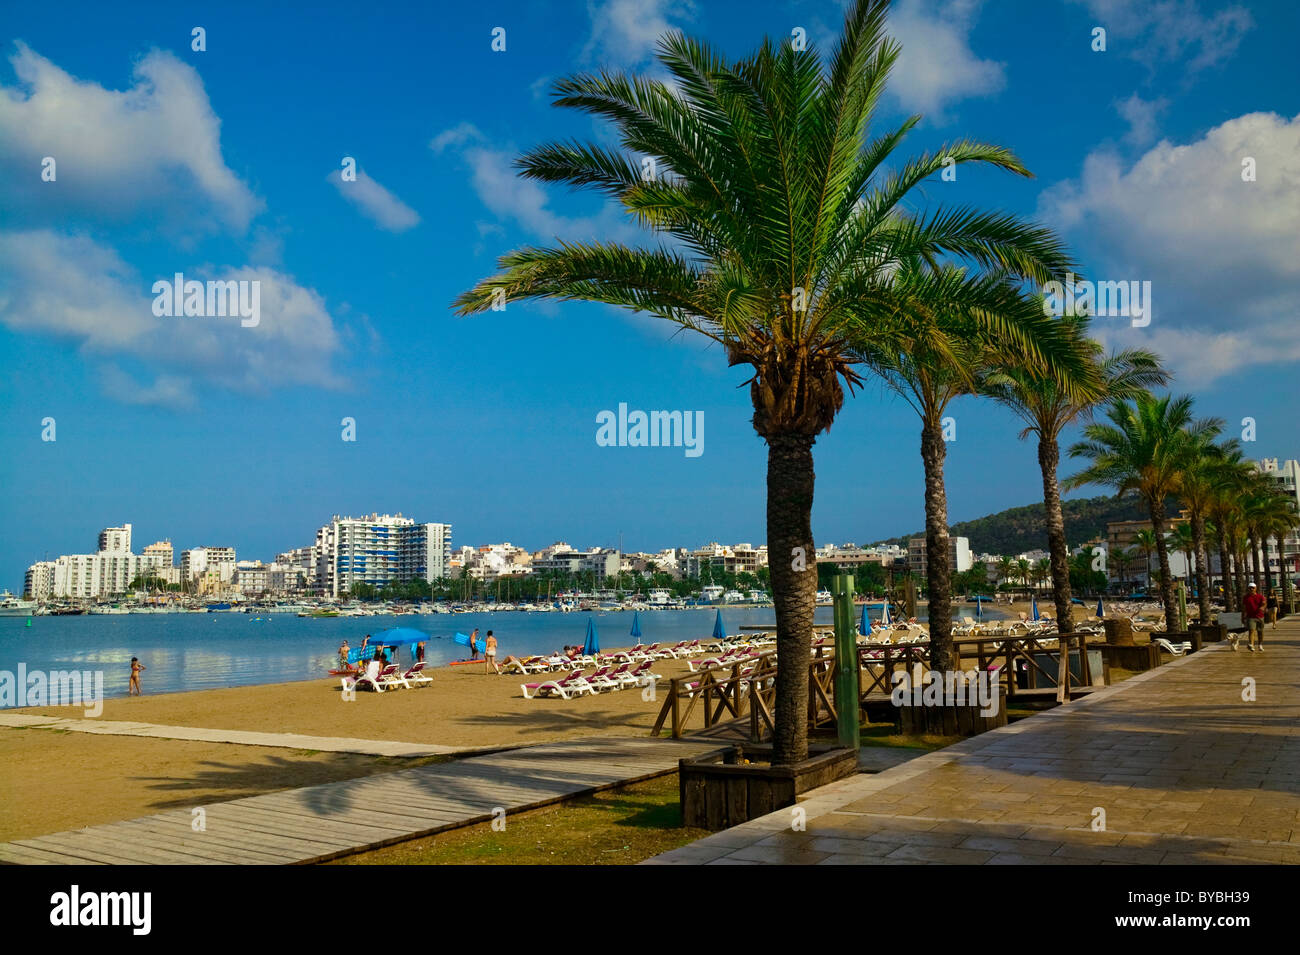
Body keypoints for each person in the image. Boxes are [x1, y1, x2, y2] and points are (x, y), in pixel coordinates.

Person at [1241, 582, 1266, 652]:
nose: (1251, 589)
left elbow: (1264, 603)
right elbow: (1244, 608)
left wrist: (1262, 607)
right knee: (1251, 630)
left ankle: (1260, 644)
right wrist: (1242, 617)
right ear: (1248, 589)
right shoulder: (1245, 597)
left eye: (1253, 588)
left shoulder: (1260, 596)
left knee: (1260, 632)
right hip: (1250, 617)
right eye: (1250, 588)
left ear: (1256, 588)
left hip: (1260, 616)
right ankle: (1251, 645)